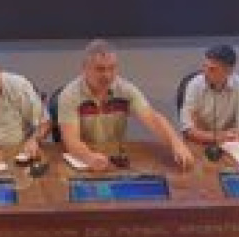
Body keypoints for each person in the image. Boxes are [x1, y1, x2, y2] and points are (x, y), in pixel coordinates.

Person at [57, 40, 194, 171]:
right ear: (84, 68)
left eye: (112, 68)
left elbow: (152, 118)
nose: (107, 75)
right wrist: (89, 157)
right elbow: (71, 140)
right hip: (82, 158)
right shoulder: (69, 95)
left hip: (115, 156)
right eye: (100, 69)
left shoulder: (126, 90)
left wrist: (176, 144)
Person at [179, 44, 239, 145]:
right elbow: (189, 130)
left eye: (212, 69)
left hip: (229, 145)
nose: (205, 72)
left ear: (229, 71)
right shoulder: (194, 84)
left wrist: (208, 134)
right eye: (204, 66)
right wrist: (221, 136)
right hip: (199, 143)